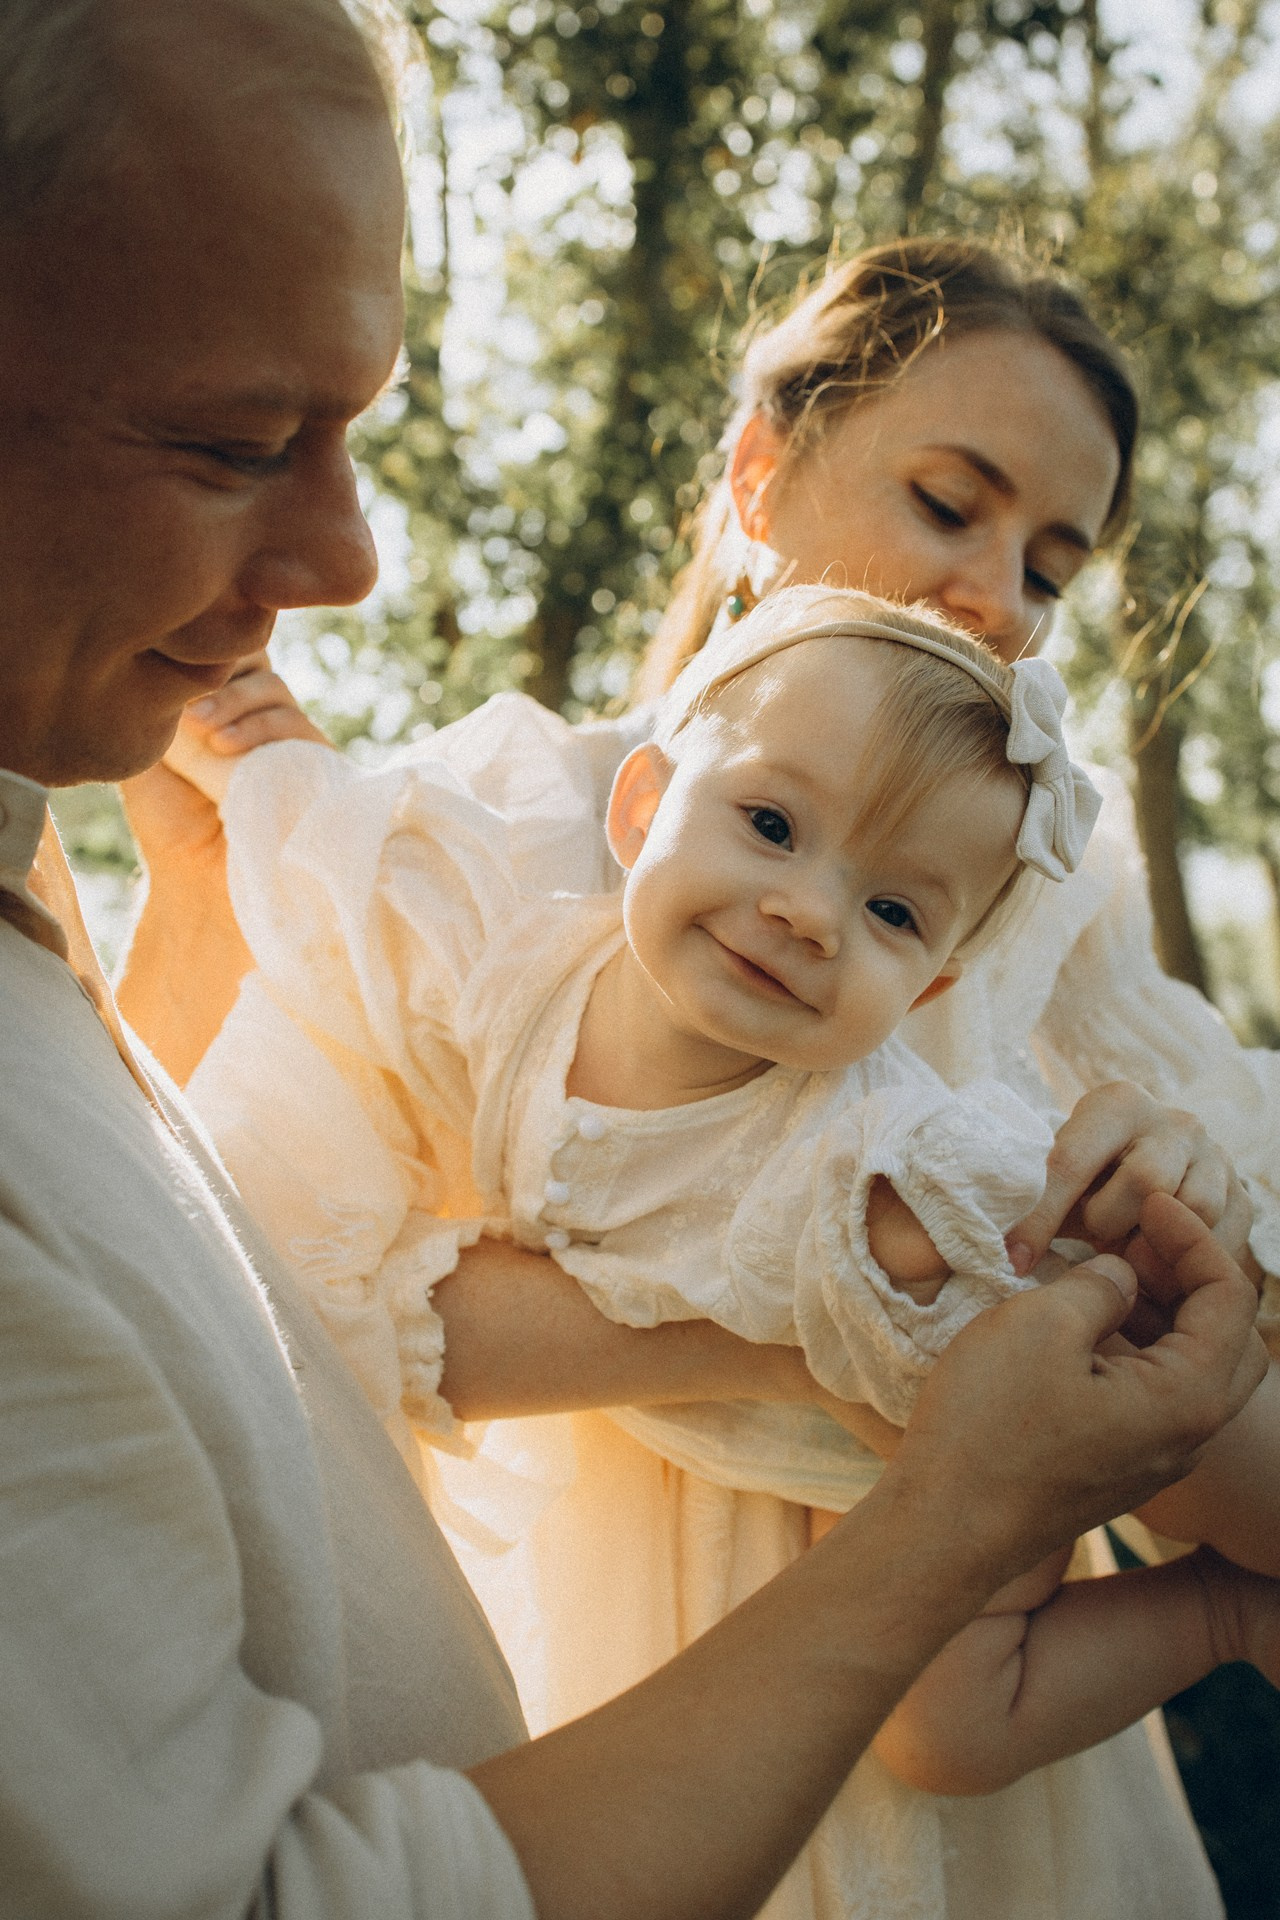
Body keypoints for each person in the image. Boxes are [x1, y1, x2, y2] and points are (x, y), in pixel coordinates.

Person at [3, 4, 1267, 1918]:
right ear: (762, 469)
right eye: (949, 501)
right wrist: (844, 1300)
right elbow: (285, 1286)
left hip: (958, 1683)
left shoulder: (1021, 913)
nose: (989, 596)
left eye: (1052, 563)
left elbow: (1191, 1259)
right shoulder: (493, 838)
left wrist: (1165, 1195)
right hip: (635, 1684)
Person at [172, 570, 1280, 1815]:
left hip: (1080, 1389)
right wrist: (240, 762)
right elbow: (352, 863)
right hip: (899, 1486)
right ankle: (1227, 1614)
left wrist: (1027, 1244)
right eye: (769, 825)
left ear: (920, 992)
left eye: (892, 909)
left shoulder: (886, 1153)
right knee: (946, 1738)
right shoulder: (511, 974)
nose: (808, 911)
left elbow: (1042, 1219)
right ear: (641, 808)